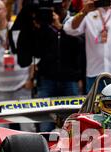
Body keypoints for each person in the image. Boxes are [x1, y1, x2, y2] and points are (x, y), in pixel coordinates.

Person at [32, 0, 85, 131]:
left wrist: (60, 27)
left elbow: (80, 46)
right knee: (45, 123)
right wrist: (42, 27)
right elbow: (36, 49)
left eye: (61, 2)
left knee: (72, 124)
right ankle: (43, 149)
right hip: (47, 78)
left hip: (70, 78)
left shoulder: (75, 20)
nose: (58, 6)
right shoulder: (43, 20)